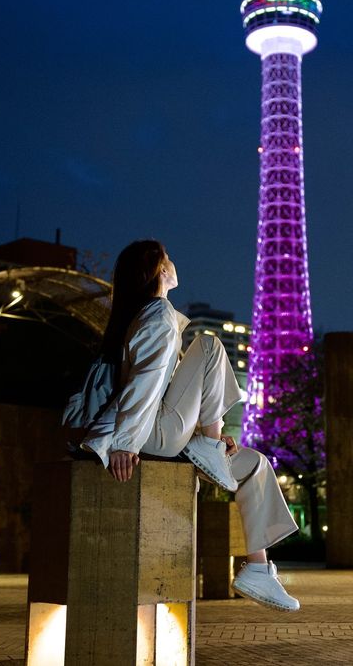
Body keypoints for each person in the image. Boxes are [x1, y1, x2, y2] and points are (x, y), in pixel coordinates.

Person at [80, 239, 300, 611]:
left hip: (164, 432)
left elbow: (165, 392)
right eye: (168, 258)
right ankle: (209, 447)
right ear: (160, 271)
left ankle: (258, 569)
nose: (174, 262)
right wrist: (124, 444)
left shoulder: (152, 317)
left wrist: (201, 432)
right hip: (151, 435)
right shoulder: (158, 317)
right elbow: (143, 385)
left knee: (255, 466)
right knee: (211, 345)